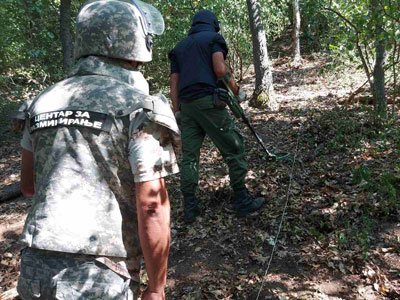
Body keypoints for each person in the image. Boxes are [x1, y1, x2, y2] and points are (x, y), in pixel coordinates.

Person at [13, 0, 179, 299]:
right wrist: (156, 287)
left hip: (35, 268)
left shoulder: (42, 103)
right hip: (101, 275)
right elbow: (152, 206)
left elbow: (28, 186)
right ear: (136, 43)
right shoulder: (139, 108)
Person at [168, 9, 265, 224]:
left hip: (187, 107)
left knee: (190, 156)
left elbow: (174, 83)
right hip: (208, 102)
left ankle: (190, 208)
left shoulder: (179, 48)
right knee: (234, 147)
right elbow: (220, 70)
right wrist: (237, 90)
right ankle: (242, 200)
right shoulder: (213, 38)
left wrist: (177, 111)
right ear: (213, 24)